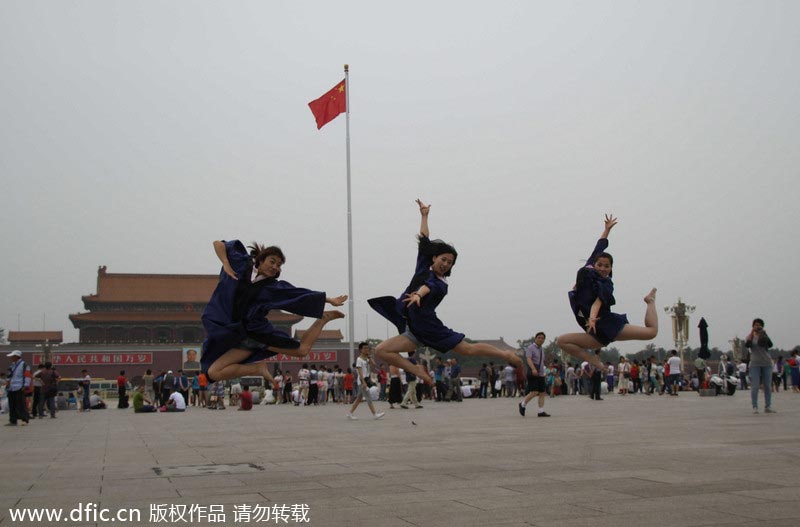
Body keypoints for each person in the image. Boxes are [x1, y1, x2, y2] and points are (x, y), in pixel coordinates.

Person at [369, 199, 522, 383]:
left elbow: (428, 286)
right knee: (381, 350)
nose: (446, 264)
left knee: (468, 349)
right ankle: (417, 370)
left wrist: (418, 294)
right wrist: (424, 216)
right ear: (434, 257)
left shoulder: (441, 284)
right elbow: (424, 239)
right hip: (413, 329)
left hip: (430, 328)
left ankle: (505, 354)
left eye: (450, 263)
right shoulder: (423, 265)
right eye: (444, 259)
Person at [200, 239, 347, 384]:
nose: (275, 266)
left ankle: (323, 319)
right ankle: (257, 368)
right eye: (272, 261)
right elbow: (218, 244)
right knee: (213, 373)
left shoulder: (271, 287)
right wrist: (226, 264)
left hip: (258, 334)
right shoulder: (240, 264)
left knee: (302, 350)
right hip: (238, 335)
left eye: (279, 265)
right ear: (261, 259)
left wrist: (328, 300)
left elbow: (298, 294)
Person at [558, 215, 658, 371]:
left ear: (611, 268)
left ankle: (650, 301)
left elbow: (597, 303)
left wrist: (592, 319)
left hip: (606, 324)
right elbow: (600, 245)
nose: (603, 268)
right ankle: (593, 360)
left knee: (651, 332)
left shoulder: (606, 284)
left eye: (607, 266)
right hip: (595, 333)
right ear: (594, 263)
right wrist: (606, 229)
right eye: (600, 264)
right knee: (562, 341)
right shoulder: (588, 268)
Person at [346, 342, 385, 420]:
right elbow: (360, 372)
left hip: (366, 380)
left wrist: (369, 356)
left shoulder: (367, 358)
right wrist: (363, 382)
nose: (367, 349)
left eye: (367, 348)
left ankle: (350, 413)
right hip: (362, 381)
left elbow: (374, 364)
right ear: (360, 350)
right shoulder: (359, 359)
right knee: (368, 398)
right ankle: (375, 414)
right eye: (365, 348)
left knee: (358, 399)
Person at [745, 318, 775, 414]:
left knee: (767, 385)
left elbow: (770, 345)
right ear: (753, 326)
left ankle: (768, 406)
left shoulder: (764, 336)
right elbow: (747, 345)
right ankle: (755, 407)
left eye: (759, 325)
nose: (757, 326)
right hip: (755, 363)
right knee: (755, 386)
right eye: (755, 325)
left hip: (766, 362)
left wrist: (764, 334)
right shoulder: (750, 337)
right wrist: (752, 332)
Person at [519, 332, 550, 417]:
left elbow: (541, 362)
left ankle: (541, 411)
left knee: (542, 392)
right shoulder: (530, 347)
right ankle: (522, 404)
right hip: (533, 372)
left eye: (542, 338)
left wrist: (543, 373)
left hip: (540, 374)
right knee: (534, 392)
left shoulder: (541, 349)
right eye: (539, 337)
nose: (541, 339)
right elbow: (528, 359)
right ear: (535, 338)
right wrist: (533, 369)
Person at [5, 350, 31, 426]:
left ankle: (24, 420)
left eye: (12, 356)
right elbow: (9, 375)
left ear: (16, 356)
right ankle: (13, 420)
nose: (11, 358)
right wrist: (7, 383)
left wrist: (26, 385)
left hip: (19, 387)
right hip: (11, 388)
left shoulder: (24, 365)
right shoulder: (12, 365)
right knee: (12, 405)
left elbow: (27, 376)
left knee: (21, 404)